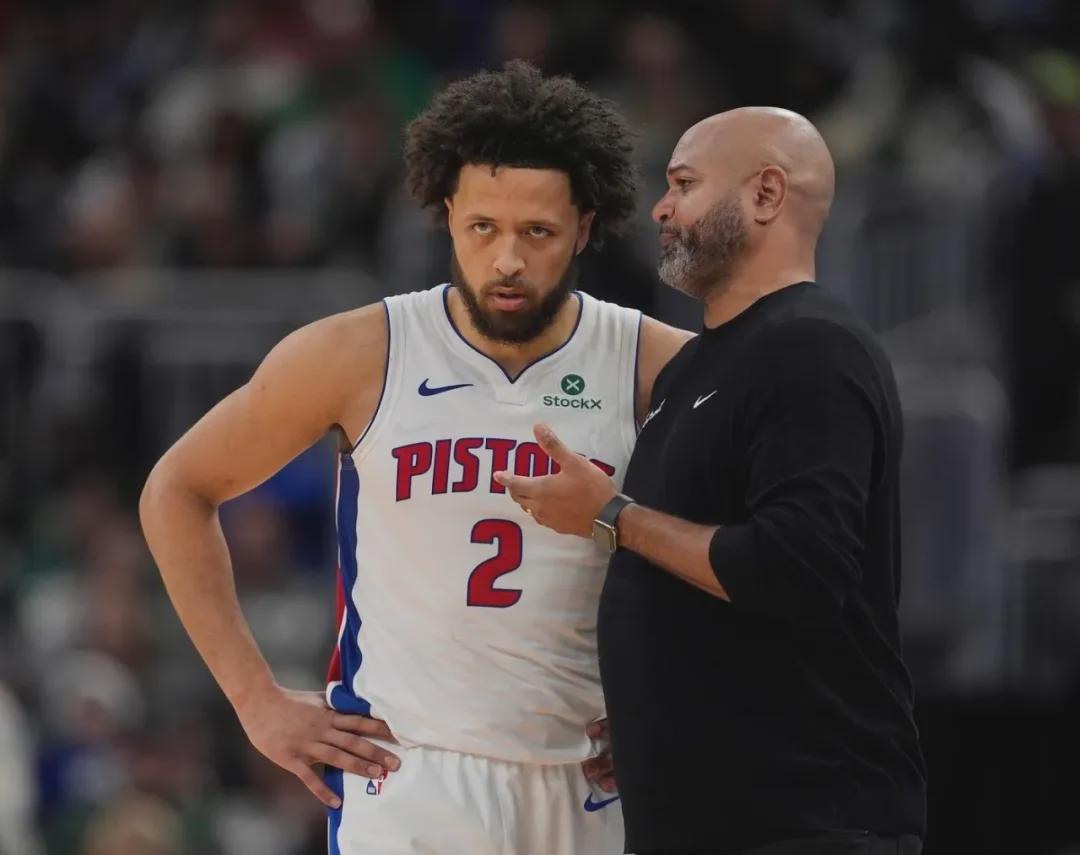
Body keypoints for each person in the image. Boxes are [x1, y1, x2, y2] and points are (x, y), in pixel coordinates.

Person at [139, 61, 691, 855]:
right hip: (408, 775)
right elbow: (177, 488)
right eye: (483, 227)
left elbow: (754, 553)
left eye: (537, 231)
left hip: (587, 781)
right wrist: (254, 700)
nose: (507, 259)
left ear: (584, 226)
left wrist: (676, 699)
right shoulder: (361, 352)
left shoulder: (654, 365)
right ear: (447, 214)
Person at [496, 107, 928, 855]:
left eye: (685, 184)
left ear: (766, 194)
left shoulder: (813, 348)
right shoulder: (692, 368)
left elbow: (794, 567)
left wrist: (610, 515)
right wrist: (651, 724)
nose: (661, 209)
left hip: (805, 823)